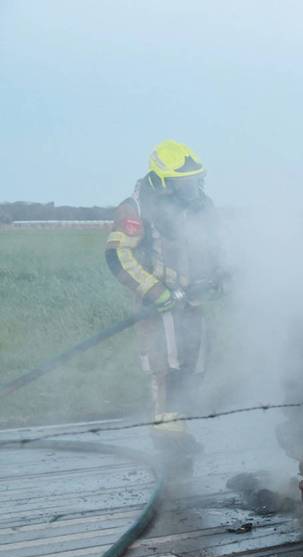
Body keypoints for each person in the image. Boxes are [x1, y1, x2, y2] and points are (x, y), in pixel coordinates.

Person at [105, 140, 220, 456]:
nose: (191, 187)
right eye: (183, 182)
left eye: (194, 180)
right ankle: (167, 442)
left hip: (193, 302)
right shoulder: (135, 209)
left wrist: (219, 274)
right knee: (166, 367)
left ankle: (178, 430)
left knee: (194, 366)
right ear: (162, 181)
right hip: (158, 306)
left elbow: (215, 244)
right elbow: (118, 256)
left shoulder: (202, 205)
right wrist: (156, 292)